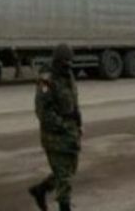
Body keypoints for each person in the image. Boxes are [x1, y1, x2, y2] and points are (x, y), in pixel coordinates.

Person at [29, 44, 83, 211]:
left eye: (70, 62)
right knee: (64, 177)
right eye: (65, 62)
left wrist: (78, 123)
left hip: (71, 131)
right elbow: (43, 112)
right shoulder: (47, 79)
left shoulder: (68, 75)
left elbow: (73, 101)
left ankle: (41, 190)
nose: (68, 66)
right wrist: (64, 126)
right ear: (57, 61)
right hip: (54, 136)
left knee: (70, 170)